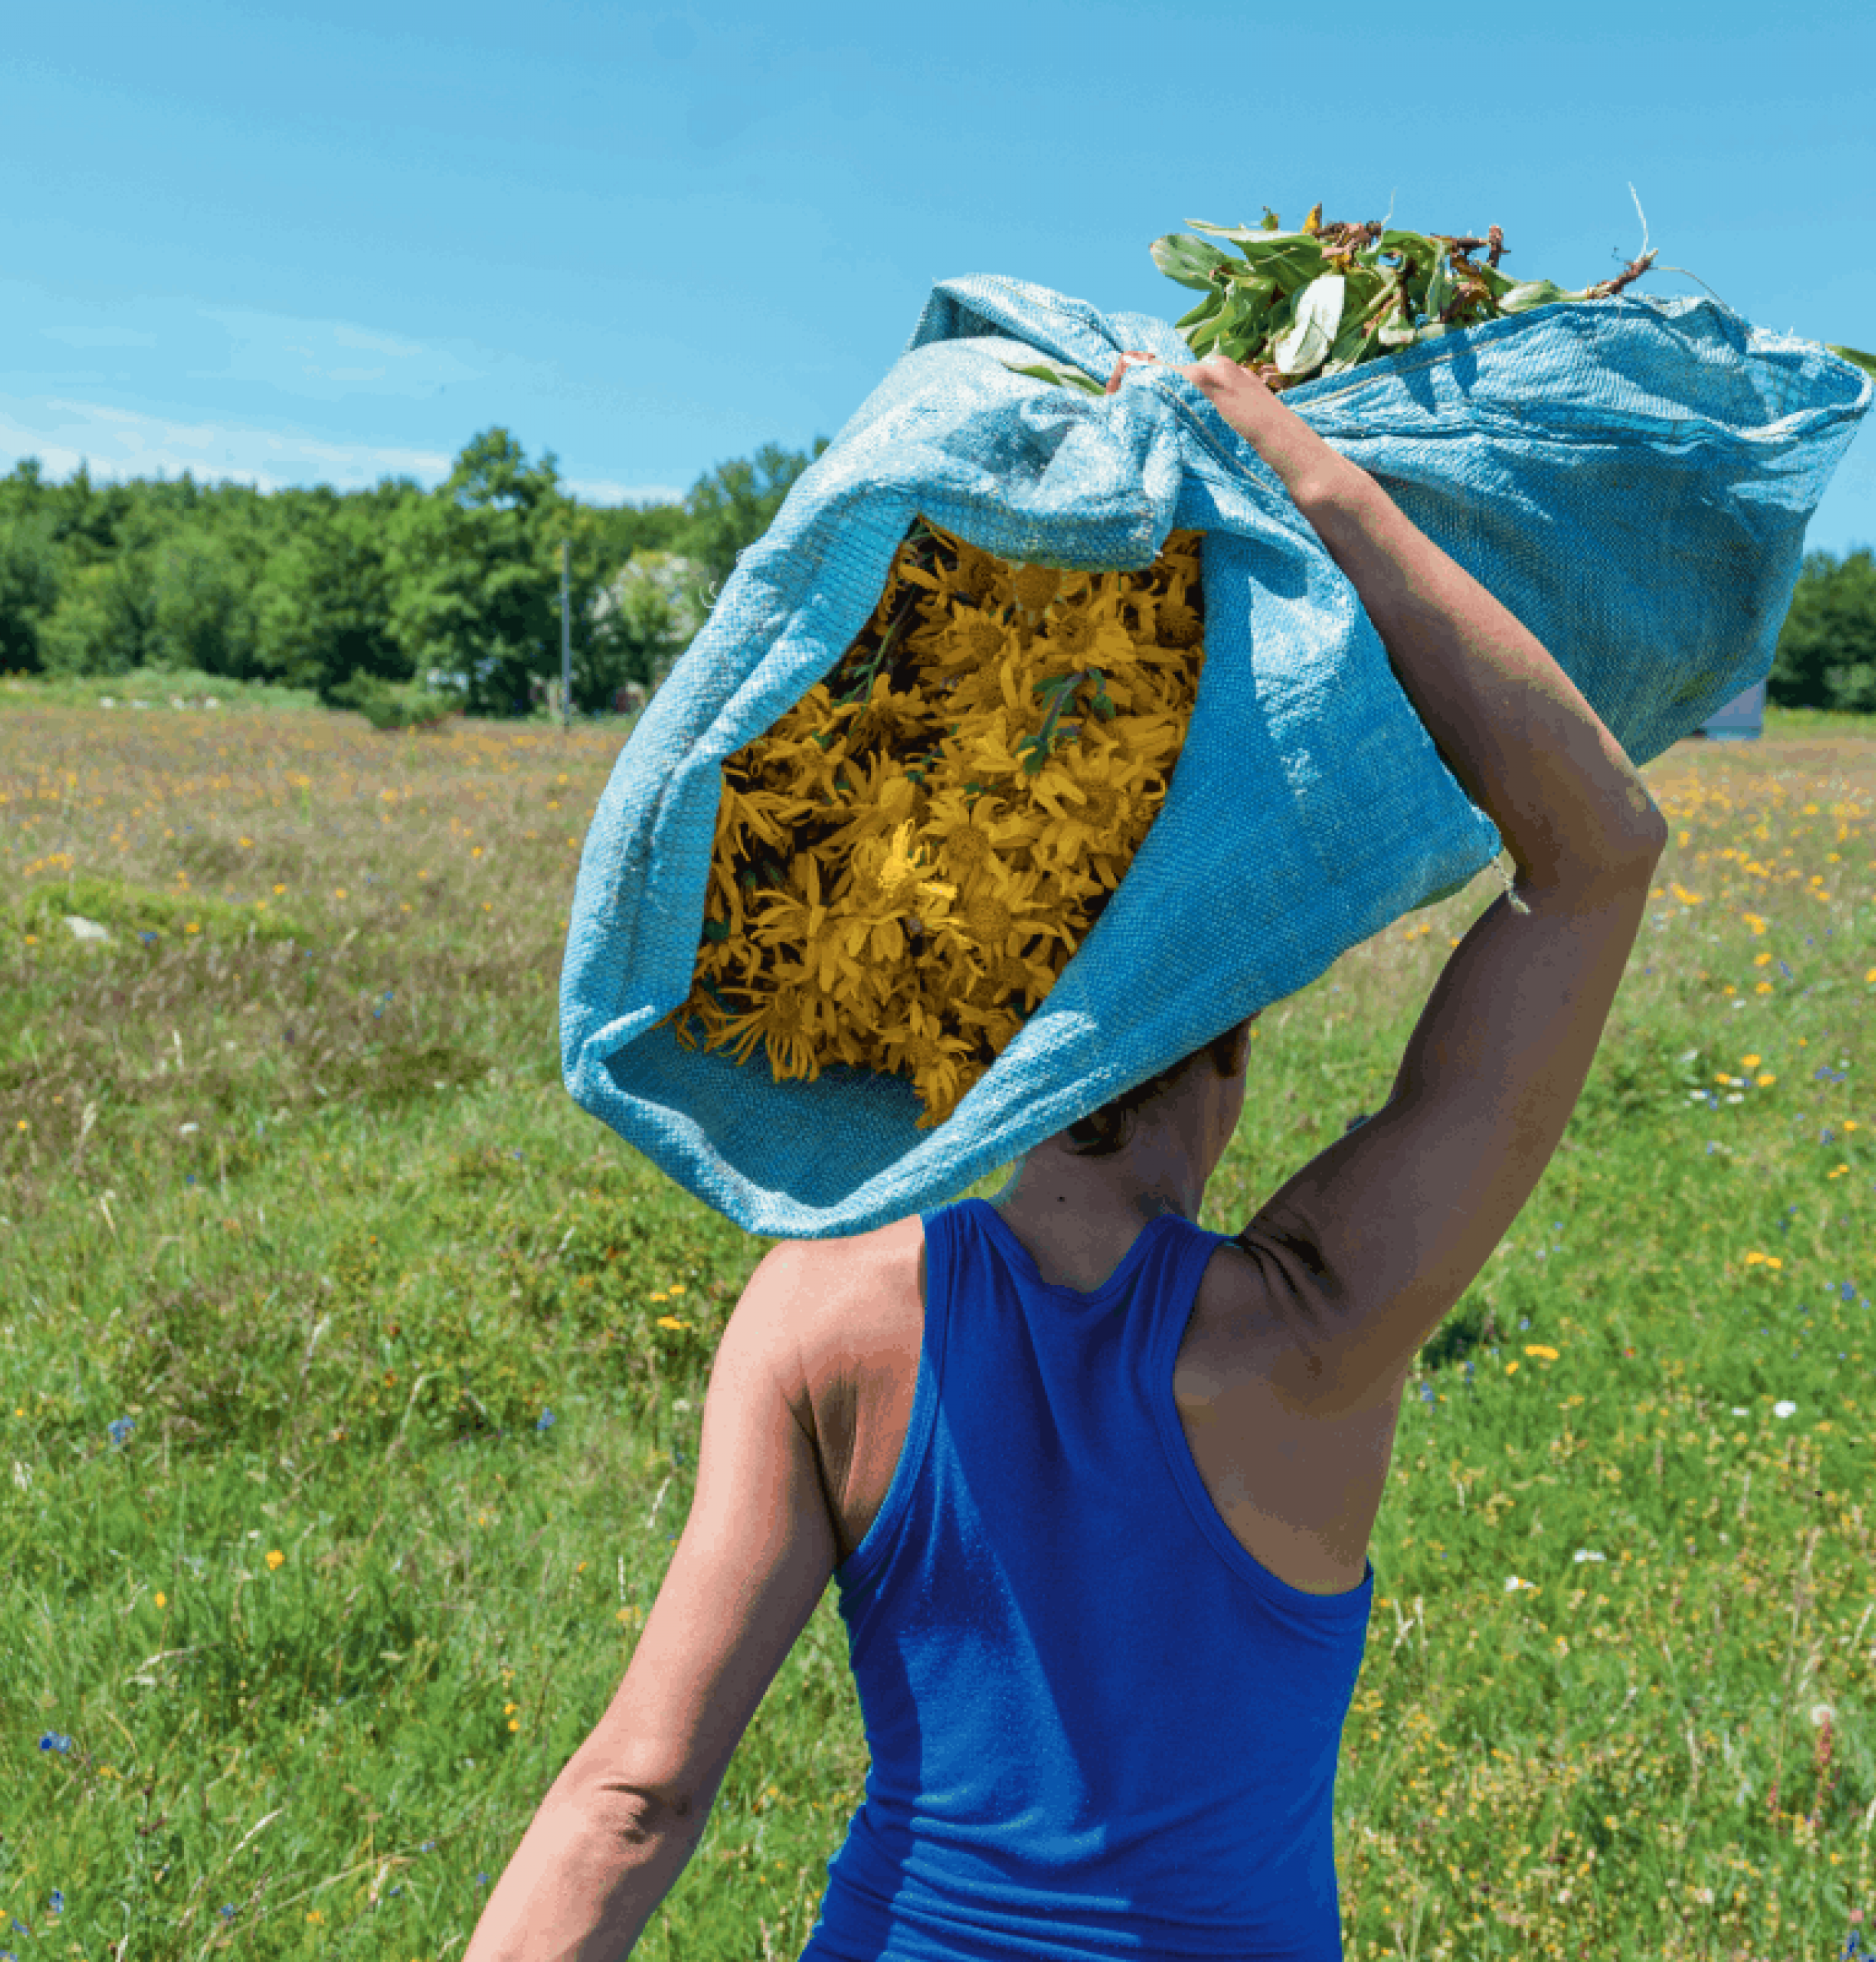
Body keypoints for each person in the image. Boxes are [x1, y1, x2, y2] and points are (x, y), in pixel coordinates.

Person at [462, 353, 1669, 1962]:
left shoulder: (819, 1318)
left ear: (979, 1040)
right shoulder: (1313, 1328)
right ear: (1229, 1041)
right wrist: (1304, 478)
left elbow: (634, 1796)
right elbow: (1597, 860)